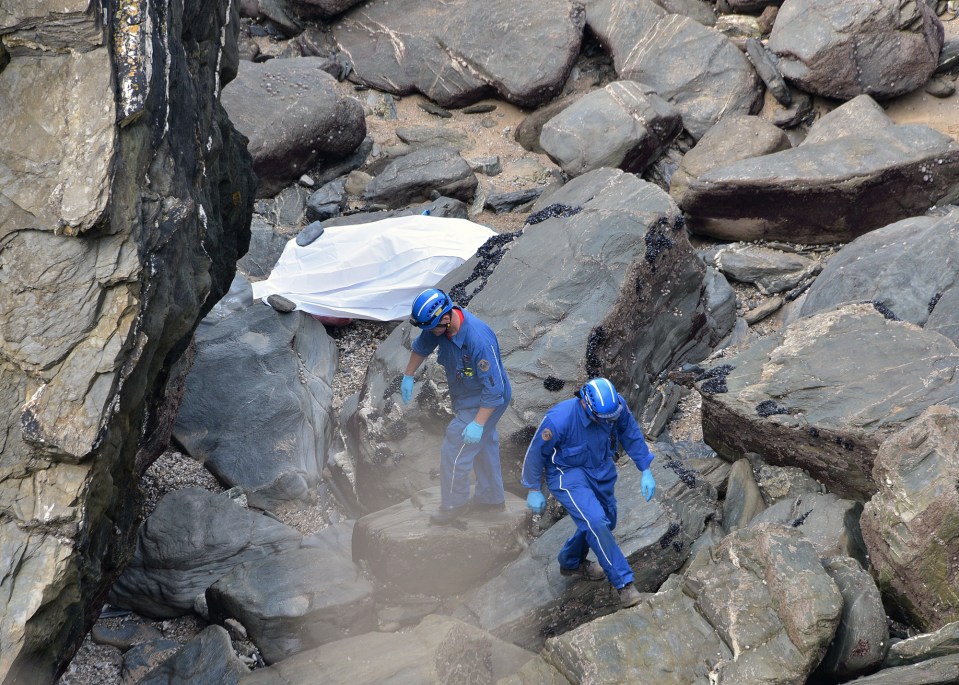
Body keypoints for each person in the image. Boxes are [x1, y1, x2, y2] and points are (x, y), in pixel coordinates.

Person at [521, 377, 656, 609]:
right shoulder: (558, 420)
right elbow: (535, 454)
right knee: (595, 521)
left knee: (606, 521)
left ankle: (570, 561)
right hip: (567, 473)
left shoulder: (615, 406)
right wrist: (533, 489)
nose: (609, 421)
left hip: (601, 468)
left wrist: (645, 469)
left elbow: (629, 432)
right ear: (585, 403)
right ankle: (624, 584)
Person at [401, 287, 512, 525]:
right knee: (483, 445)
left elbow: (495, 390)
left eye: (432, 328)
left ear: (446, 318)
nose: (430, 333)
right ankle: (491, 500)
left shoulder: (477, 339)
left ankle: (454, 504)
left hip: (485, 400)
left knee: (456, 446)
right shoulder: (440, 324)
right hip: (464, 396)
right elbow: (422, 346)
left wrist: (478, 423)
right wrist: (408, 375)